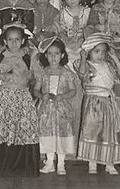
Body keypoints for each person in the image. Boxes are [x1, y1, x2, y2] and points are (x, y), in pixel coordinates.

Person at [0, 25, 40, 177]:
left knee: (22, 127)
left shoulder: (28, 57)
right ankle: (1, 165)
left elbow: (37, 77)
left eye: (17, 39)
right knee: (4, 126)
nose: (14, 43)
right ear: (5, 41)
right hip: (5, 97)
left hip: (22, 96)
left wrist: (34, 89)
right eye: (10, 39)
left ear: (22, 41)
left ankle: (23, 165)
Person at [76, 33, 120, 175]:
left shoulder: (109, 65)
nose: (101, 55)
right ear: (89, 52)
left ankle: (109, 162)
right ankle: (92, 162)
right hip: (94, 103)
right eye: (96, 51)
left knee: (109, 133)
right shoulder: (88, 65)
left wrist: (115, 57)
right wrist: (83, 58)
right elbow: (81, 73)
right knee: (92, 131)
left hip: (108, 103)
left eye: (103, 52)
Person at [32, 36, 78, 175]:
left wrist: (61, 97)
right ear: (45, 55)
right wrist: (41, 95)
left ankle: (61, 163)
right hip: (46, 109)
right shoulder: (43, 72)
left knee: (61, 135)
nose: (53, 57)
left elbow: (73, 91)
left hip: (61, 109)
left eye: (56, 53)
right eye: (50, 54)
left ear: (62, 55)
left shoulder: (67, 73)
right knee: (48, 135)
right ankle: (50, 161)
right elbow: (36, 89)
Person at [57, 0, 90, 67]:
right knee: (67, 55)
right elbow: (61, 30)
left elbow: (90, 27)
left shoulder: (86, 11)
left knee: (85, 52)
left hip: (83, 40)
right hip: (69, 40)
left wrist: (82, 38)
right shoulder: (64, 13)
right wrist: (67, 40)